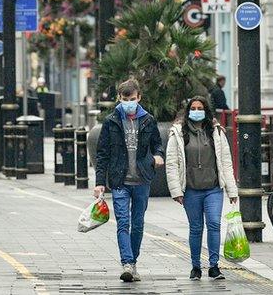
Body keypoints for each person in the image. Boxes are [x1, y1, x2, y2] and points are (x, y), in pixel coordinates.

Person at [94, 78, 165, 283]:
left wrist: (158, 156)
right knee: (123, 222)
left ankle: (133, 261)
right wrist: (100, 182)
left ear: (139, 97)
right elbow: (102, 153)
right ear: (119, 98)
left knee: (138, 224)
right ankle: (127, 263)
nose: (129, 103)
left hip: (142, 179)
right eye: (125, 99)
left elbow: (157, 145)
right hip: (119, 181)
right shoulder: (111, 121)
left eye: (132, 99)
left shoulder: (148, 120)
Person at [165, 96, 238, 281]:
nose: (196, 111)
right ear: (188, 110)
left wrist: (232, 190)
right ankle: (195, 266)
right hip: (191, 189)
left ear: (206, 111)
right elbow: (172, 164)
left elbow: (226, 163)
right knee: (196, 228)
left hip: (213, 188)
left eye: (200, 108)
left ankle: (214, 266)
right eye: (193, 108)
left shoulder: (216, 132)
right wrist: (176, 191)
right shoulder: (178, 133)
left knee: (214, 224)